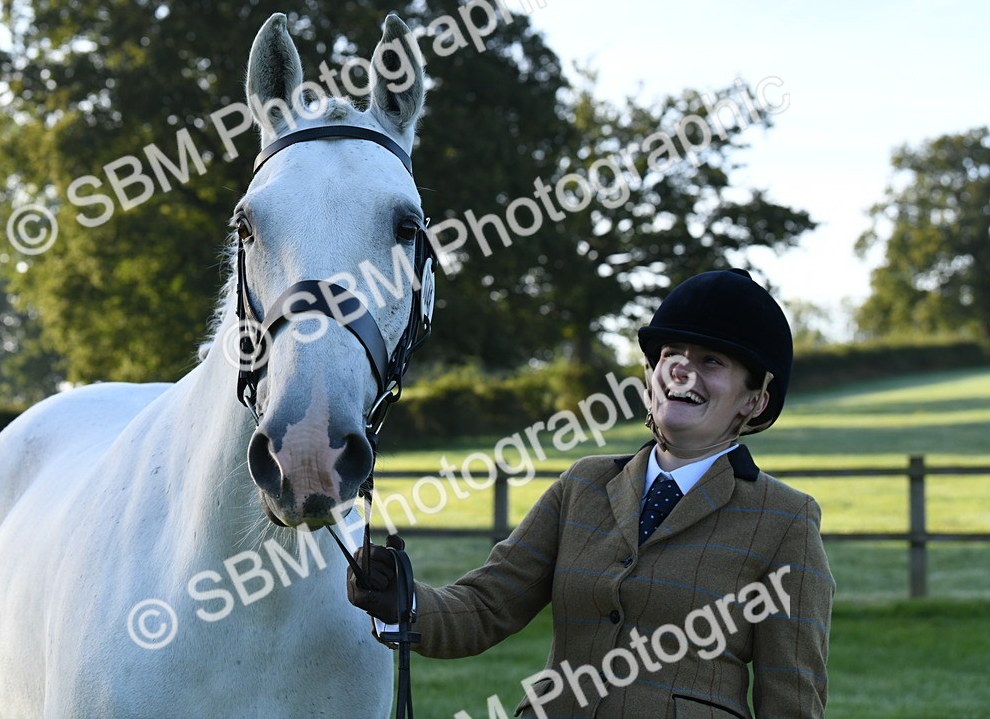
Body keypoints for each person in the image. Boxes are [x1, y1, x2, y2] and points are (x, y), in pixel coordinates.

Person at [348, 268, 834, 718]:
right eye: (671, 356)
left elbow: (791, 702)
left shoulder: (784, 522)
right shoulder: (583, 484)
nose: (683, 371)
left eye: (711, 361)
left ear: (755, 400)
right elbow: (488, 605)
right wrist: (404, 599)